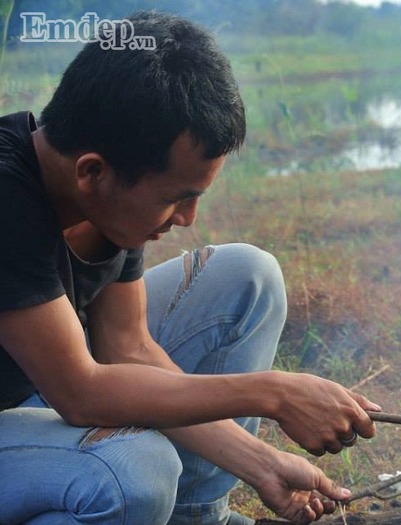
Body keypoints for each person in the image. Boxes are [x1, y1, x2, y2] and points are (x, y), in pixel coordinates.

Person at [0, 10, 380, 525]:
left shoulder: (101, 198)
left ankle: (196, 514)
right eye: (175, 198)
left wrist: (263, 464)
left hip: (32, 382)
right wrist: (275, 392)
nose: (187, 219)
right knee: (134, 469)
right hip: (29, 404)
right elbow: (82, 393)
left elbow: (129, 349)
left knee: (248, 277)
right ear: (94, 172)